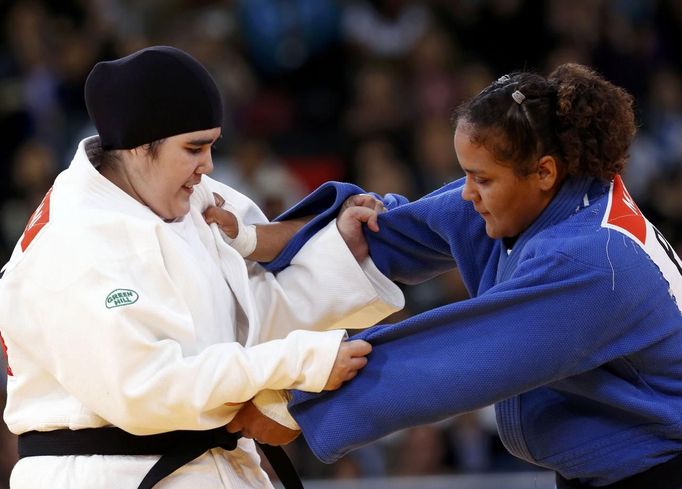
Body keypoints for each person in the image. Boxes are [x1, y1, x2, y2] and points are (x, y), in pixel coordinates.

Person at [224, 63, 682, 488]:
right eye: (465, 174)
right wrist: (247, 240)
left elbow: (455, 361)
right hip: (609, 468)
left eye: (481, 179)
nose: (467, 193)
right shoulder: (537, 198)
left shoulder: (591, 260)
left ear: (543, 172)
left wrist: (296, 402)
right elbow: (388, 230)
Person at [0, 45, 404, 489]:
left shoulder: (190, 198)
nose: (207, 166)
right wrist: (295, 361)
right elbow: (146, 390)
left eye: (211, 145)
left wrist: (341, 253)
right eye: (194, 148)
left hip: (215, 465)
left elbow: (253, 320)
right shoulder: (73, 242)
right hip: (108, 472)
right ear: (138, 146)